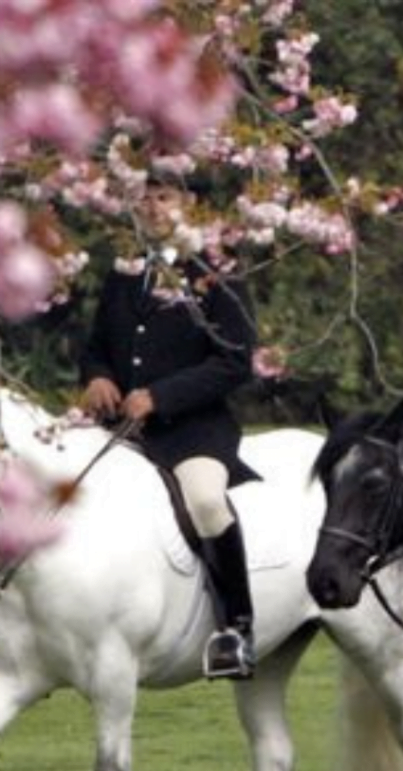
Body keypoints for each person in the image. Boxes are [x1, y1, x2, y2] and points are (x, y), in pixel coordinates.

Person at [80, 176, 259, 680]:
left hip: (193, 430)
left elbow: (235, 361)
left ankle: (237, 631)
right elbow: (98, 344)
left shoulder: (215, 269)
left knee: (204, 498)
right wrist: (97, 376)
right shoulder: (124, 270)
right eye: (144, 195)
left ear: (190, 203)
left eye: (164, 196)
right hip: (125, 431)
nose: (152, 206)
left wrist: (160, 397)